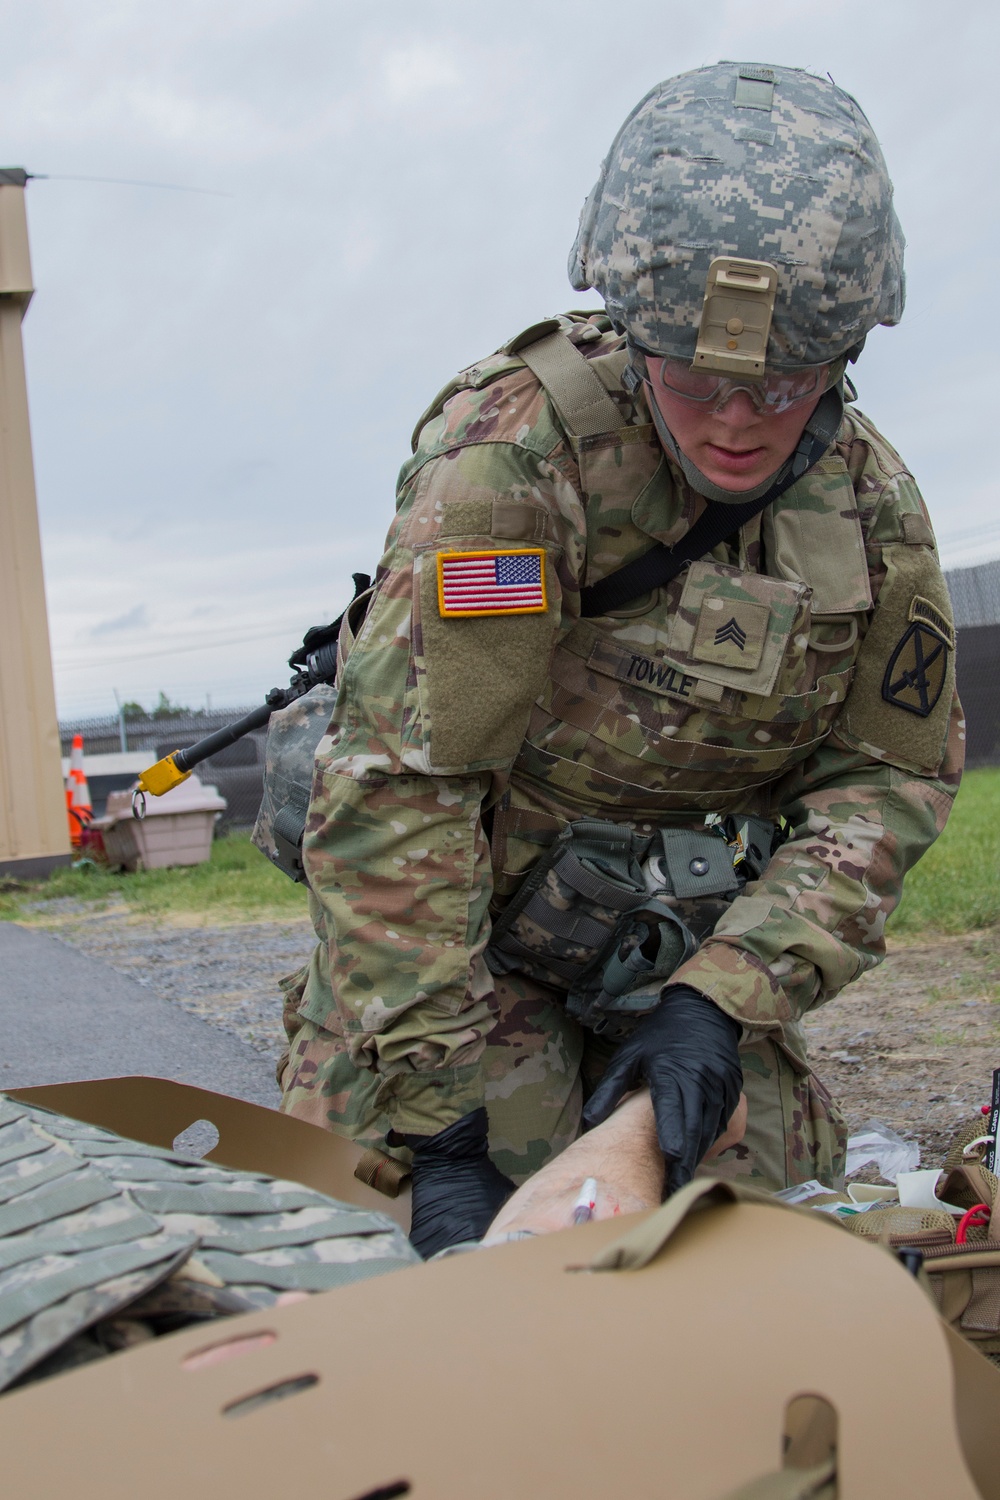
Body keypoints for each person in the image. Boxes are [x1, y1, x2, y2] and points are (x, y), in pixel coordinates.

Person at [277, 62, 963, 1258]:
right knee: (386, 1257)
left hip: (687, 961)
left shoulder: (870, 508)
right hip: (463, 942)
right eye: (695, 381)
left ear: (844, 356)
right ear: (636, 335)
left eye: (785, 385)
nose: (737, 422)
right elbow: (404, 789)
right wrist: (440, 1128)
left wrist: (725, 1000)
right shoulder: (517, 456)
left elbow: (888, 782)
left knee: (745, 1259)